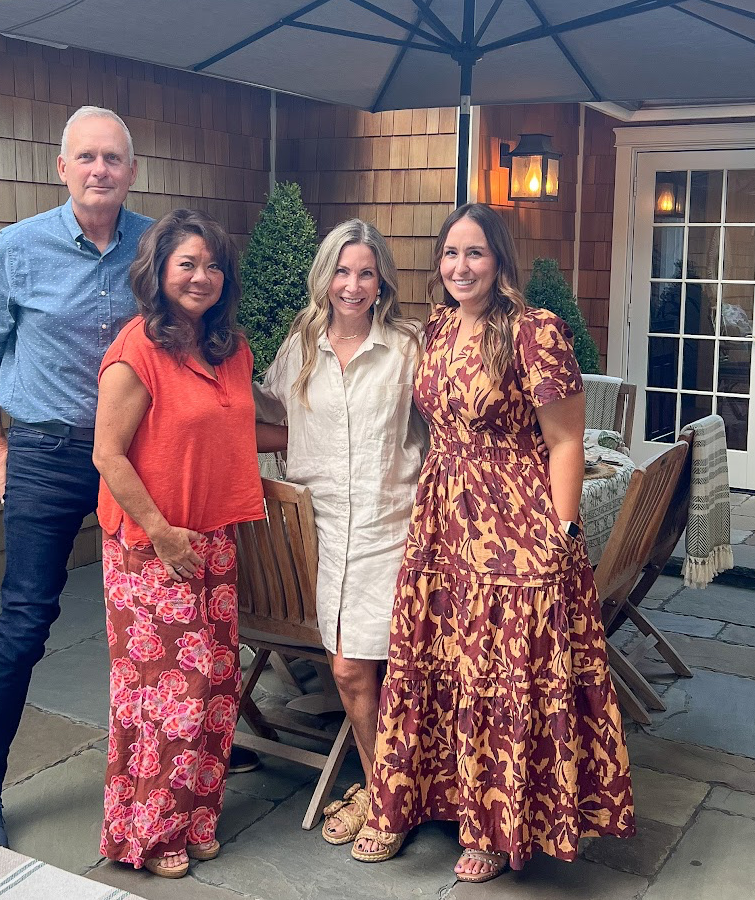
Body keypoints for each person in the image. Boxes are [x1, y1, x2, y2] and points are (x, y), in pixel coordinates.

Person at [353, 203, 635, 883]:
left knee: (498, 672)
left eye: (474, 253)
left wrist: (563, 531)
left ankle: (493, 828)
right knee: (439, 663)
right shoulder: (437, 329)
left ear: (499, 259)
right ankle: (423, 802)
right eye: (450, 253)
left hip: (514, 522)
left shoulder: (535, 331)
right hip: (441, 518)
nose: (461, 266)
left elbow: (566, 440)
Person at [0, 106, 152, 848]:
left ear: (131, 171)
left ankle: (174, 761)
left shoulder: (155, 246)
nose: (100, 170)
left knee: (153, 614)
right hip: (44, 451)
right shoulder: (19, 248)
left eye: (113, 158)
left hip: (135, 455)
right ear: (62, 167)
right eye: (87, 157)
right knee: (26, 619)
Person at [93, 208, 264, 878]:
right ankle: (147, 832)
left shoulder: (230, 350)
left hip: (214, 539)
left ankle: (196, 820)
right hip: (151, 546)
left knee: (216, 687)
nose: (202, 276)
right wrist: (162, 535)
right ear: (159, 271)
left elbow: (239, 430)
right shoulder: (137, 349)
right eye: (188, 263)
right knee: (166, 696)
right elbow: (108, 454)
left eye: (213, 265)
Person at [254, 219, 426, 846]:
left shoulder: (407, 346)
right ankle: (386, 793)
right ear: (324, 277)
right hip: (321, 533)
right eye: (342, 272)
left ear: (383, 282)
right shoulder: (302, 343)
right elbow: (272, 413)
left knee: (398, 668)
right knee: (351, 670)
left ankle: (396, 795)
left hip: (395, 527)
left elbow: (449, 421)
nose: (352, 285)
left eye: (366, 273)